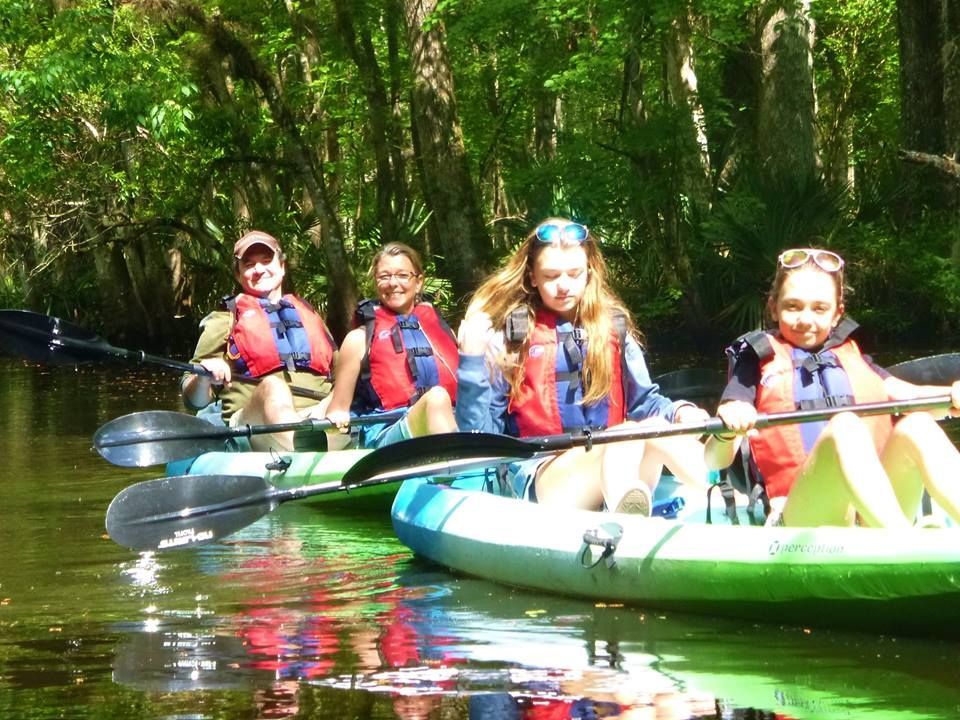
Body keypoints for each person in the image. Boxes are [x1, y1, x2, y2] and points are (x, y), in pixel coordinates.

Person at [455, 218, 711, 514]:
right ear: (532, 277)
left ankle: (722, 497)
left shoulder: (614, 328)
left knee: (653, 427)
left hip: (617, 459)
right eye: (551, 276)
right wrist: (471, 359)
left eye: (574, 274)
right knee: (627, 434)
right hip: (543, 476)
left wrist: (679, 411)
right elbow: (478, 435)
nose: (564, 285)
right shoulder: (512, 338)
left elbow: (645, 402)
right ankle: (625, 515)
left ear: (589, 272)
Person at [705, 247, 960, 528]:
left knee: (919, 424)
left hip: (870, 516)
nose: (806, 319)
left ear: (837, 313)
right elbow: (714, 460)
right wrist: (728, 432)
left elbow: (910, 396)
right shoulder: (754, 361)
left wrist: (952, 395)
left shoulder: (852, 356)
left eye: (819, 308)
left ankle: (901, 534)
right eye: (793, 306)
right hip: (802, 513)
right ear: (773, 308)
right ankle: (905, 544)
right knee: (845, 427)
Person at [181, 230, 339, 452]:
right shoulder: (225, 318)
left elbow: (343, 373)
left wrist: (336, 401)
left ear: (282, 267)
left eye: (266, 261)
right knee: (273, 387)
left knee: (347, 388)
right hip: (256, 424)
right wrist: (204, 376)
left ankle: (325, 444)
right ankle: (301, 449)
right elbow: (193, 401)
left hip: (318, 416)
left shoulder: (308, 313)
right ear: (238, 275)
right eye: (249, 264)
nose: (259, 269)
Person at [323, 242, 458, 447]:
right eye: (384, 276)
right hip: (387, 431)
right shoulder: (358, 339)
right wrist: (338, 418)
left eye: (402, 275)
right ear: (376, 283)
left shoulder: (444, 331)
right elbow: (337, 410)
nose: (393, 283)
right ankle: (453, 474)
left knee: (441, 402)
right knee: (437, 397)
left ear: (419, 282)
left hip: (451, 421)